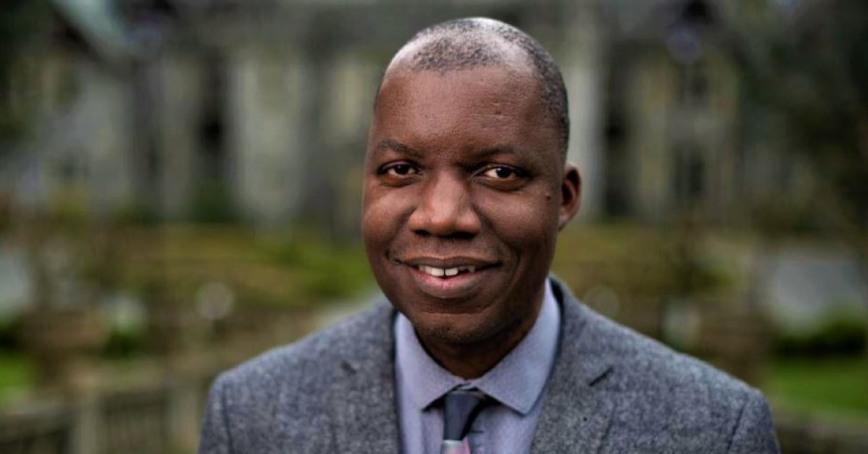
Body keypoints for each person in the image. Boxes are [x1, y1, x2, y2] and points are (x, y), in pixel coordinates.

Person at [198, 18, 779, 454]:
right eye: (401, 169)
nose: (441, 216)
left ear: (565, 198)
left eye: (499, 173)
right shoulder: (249, 416)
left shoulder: (715, 432)